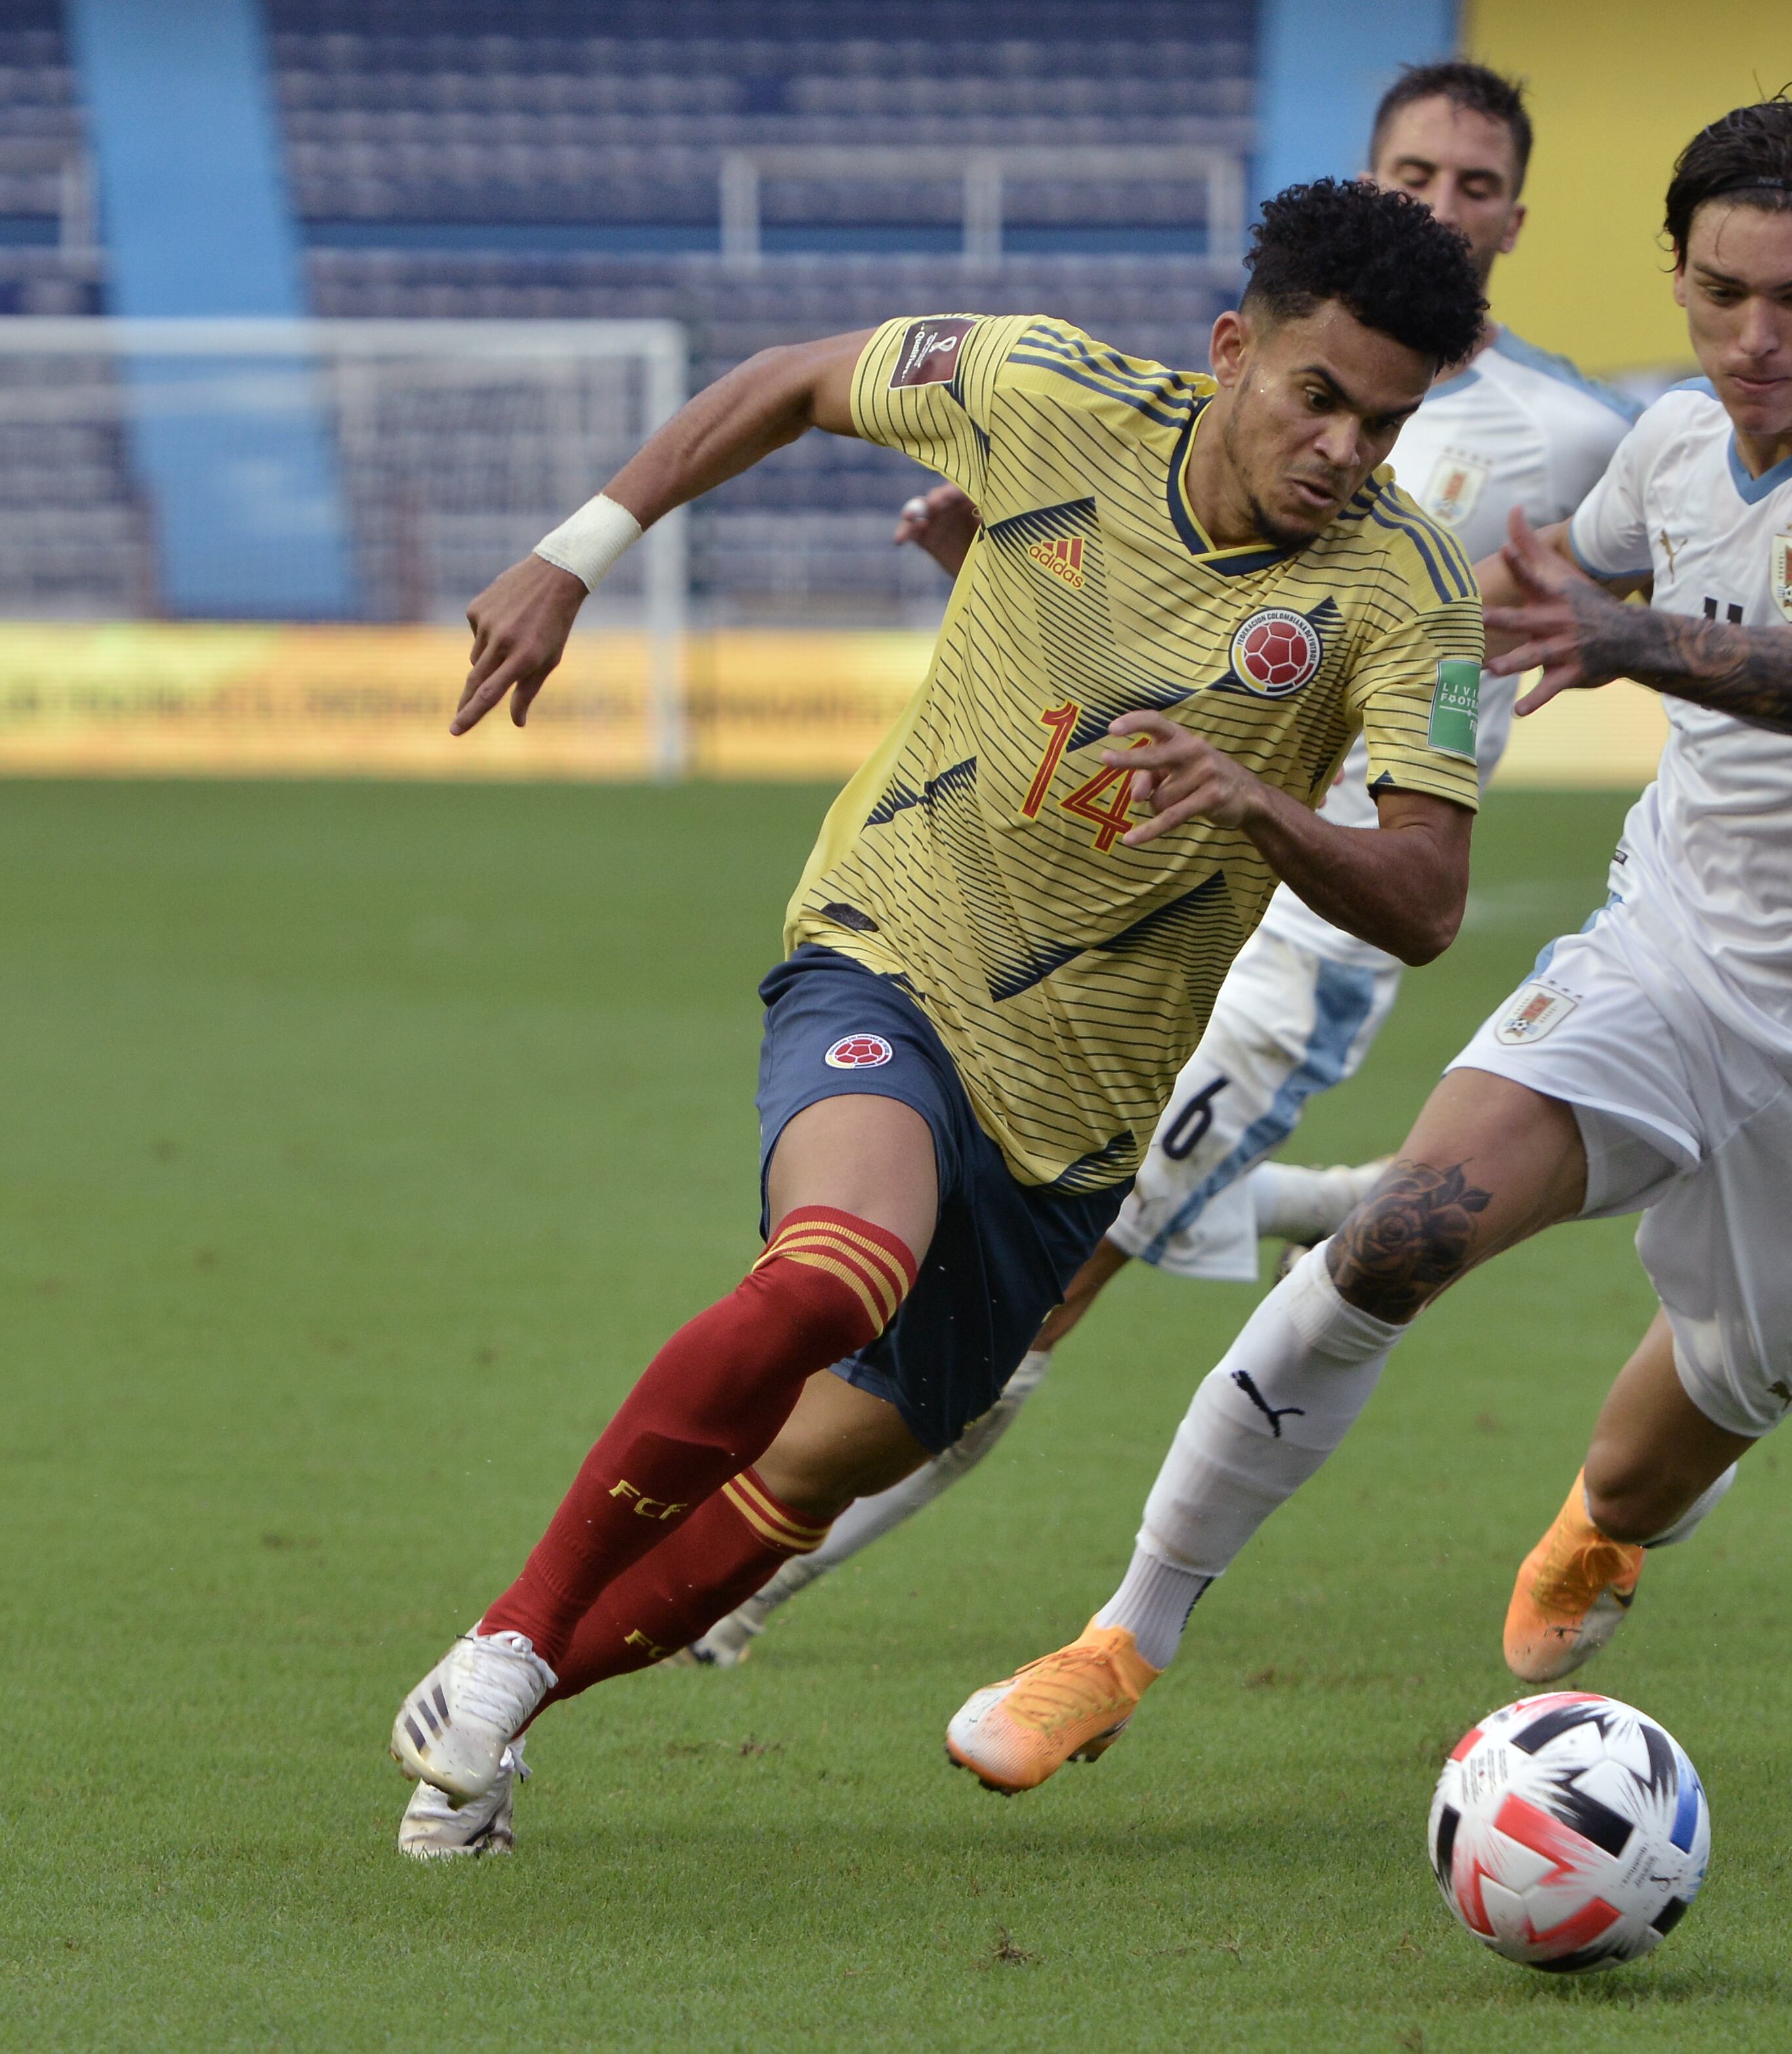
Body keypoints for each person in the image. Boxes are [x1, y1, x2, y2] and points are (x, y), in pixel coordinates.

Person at [938, 89, 1792, 1803]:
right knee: (1393, 1238)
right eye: (1717, 294)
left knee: (1653, 1465)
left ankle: (1609, 1525)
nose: (1754, 339)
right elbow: (1483, 602)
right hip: (1667, 965)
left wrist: (1626, 636)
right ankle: (1120, 1639)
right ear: (1675, 278)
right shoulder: (1674, 445)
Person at [385, 178, 1492, 1856]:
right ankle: (507, 1641)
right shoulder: (1043, 389)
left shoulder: (1407, 591)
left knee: (804, 1488)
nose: (1344, 448)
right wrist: (573, 553)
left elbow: (1423, 900)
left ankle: (495, 1725)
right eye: (1315, 395)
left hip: (1080, 1123)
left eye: (1385, 423)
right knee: (838, 1263)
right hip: (889, 950)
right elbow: (779, 381)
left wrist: (1260, 808)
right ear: (1229, 350)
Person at [686, 61, 1638, 1669]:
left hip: (1303, 941)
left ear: (1517, 221)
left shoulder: (1580, 433)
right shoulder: (1253, 388)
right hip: (1114, 887)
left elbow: (1620, 616)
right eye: (1415, 172)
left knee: (1040, 1302)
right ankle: (1327, 1200)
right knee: (1009, 1222)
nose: (1441, 205)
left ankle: (753, 1588)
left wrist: (1596, 647)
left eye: (1476, 186)